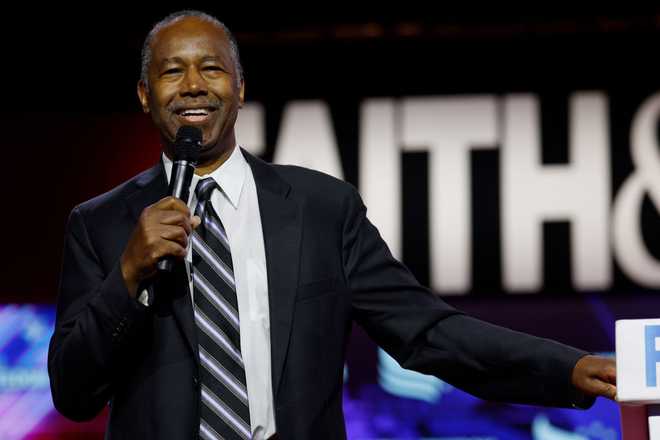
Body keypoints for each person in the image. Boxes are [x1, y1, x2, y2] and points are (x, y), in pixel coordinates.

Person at [48, 10, 617, 440]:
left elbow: (427, 332)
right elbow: (73, 392)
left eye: (212, 68)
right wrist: (126, 278)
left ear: (240, 89)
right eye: (173, 71)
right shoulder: (100, 225)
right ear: (147, 95)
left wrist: (566, 368)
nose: (194, 84)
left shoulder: (322, 209)